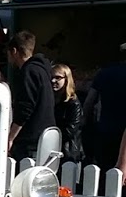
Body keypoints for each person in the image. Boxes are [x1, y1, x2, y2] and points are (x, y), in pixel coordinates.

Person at [6, 30, 55, 167]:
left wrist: (10, 137)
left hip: (30, 139)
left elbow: (25, 107)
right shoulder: (43, 70)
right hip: (46, 136)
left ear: (14, 51)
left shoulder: (28, 71)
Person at [82, 43, 126, 172]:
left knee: (103, 174)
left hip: (105, 131)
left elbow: (89, 101)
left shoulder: (105, 73)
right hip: (121, 132)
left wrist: (85, 120)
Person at [50, 64, 83, 165]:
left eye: (58, 77)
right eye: (51, 77)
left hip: (68, 153)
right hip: (51, 150)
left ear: (67, 79)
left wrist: (51, 137)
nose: (53, 81)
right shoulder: (51, 100)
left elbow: (71, 130)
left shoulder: (73, 103)